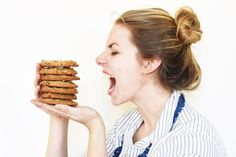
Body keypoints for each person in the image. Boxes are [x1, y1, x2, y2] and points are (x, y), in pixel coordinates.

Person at [31, 6, 227, 157]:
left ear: (150, 62)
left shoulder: (191, 143)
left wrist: (94, 126)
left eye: (114, 51)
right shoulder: (128, 126)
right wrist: (59, 115)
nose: (99, 58)